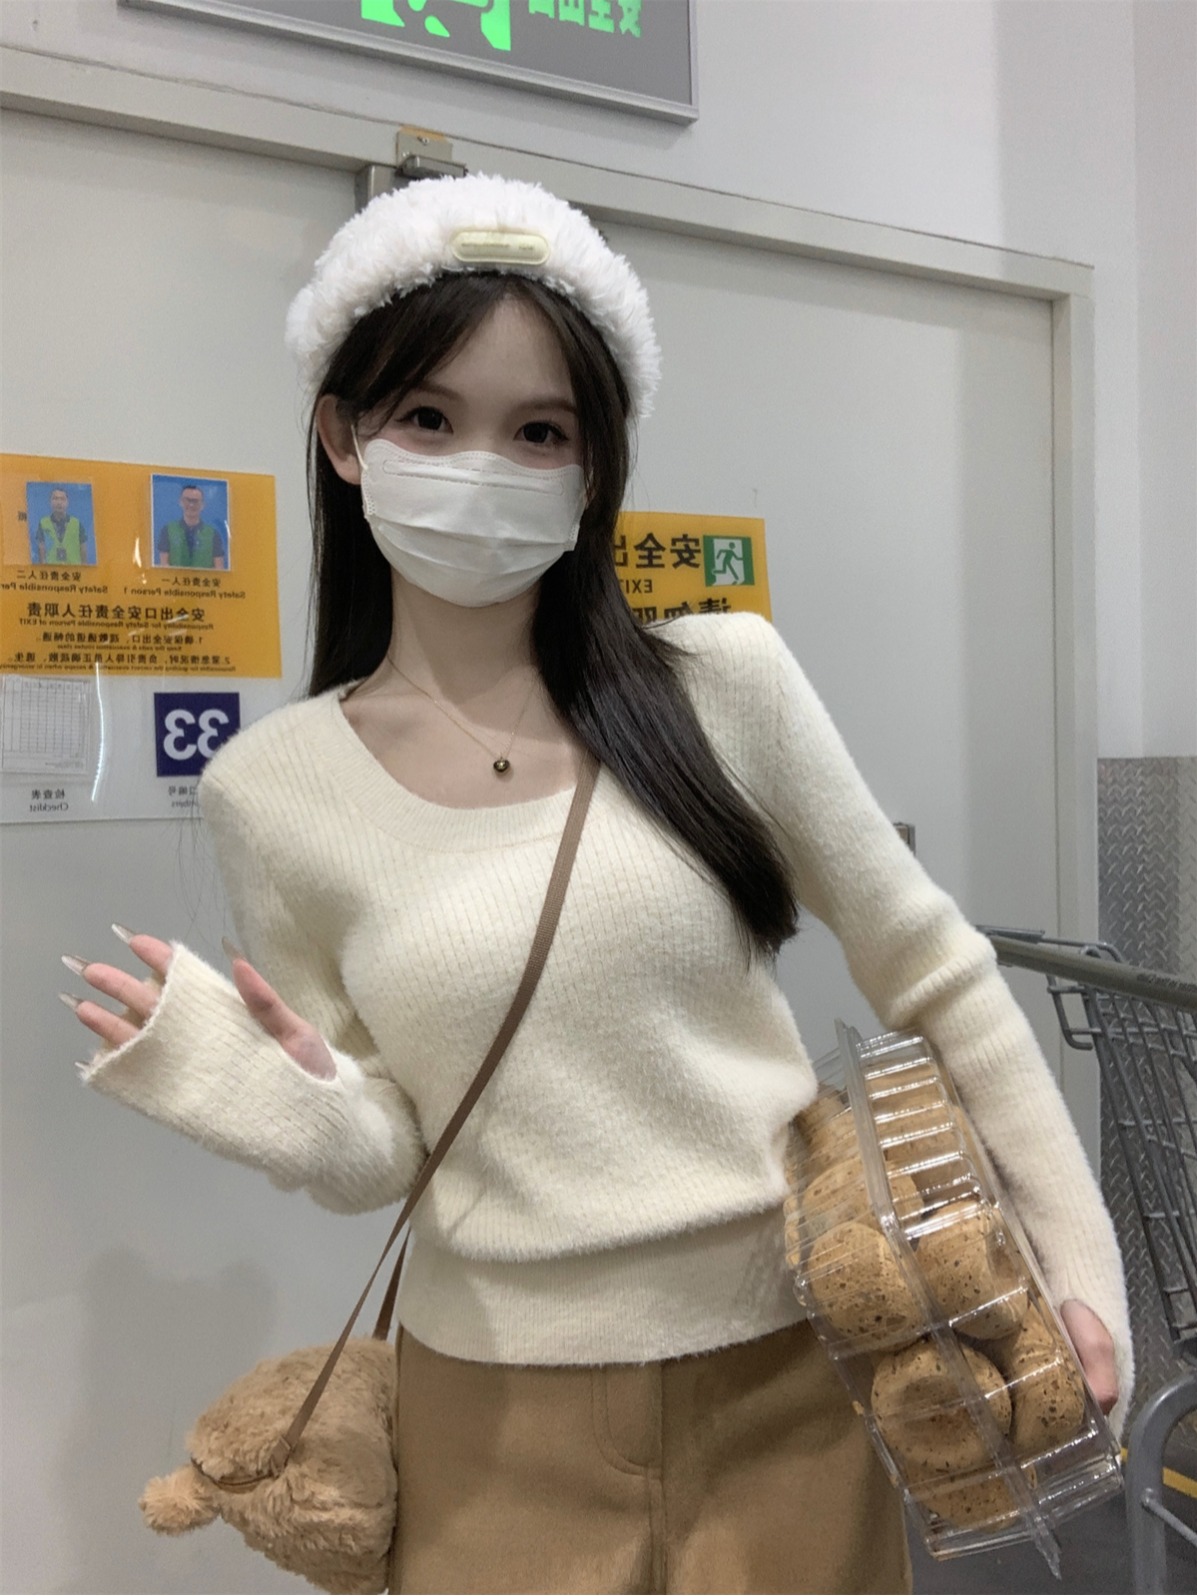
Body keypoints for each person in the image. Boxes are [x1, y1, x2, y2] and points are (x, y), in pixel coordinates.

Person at [61, 174, 1130, 1594]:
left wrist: (1076, 1268)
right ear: (341, 436)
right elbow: (385, 1153)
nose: (482, 465)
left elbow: (933, 968)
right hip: (491, 1420)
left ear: (592, 466)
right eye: (427, 417)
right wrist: (293, 1109)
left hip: (791, 1383)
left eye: (539, 430)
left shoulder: (725, 685)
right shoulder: (274, 788)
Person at [155, 483, 228, 569]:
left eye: (195, 501)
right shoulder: (168, 530)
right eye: (187, 500)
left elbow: (219, 567)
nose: (191, 505)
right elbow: (164, 565)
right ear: (180, 502)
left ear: (202, 505)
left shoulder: (213, 534)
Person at [35, 486, 90, 564]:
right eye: (55, 498)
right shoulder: (43, 523)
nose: (59, 502)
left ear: (67, 502)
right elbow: (41, 550)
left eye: (62, 499)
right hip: (51, 570)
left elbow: (83, 550)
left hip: (73, 570)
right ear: (50, 502)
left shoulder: (77, 524)